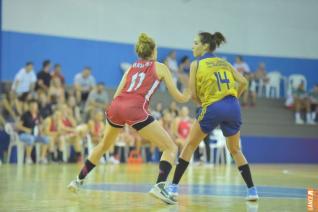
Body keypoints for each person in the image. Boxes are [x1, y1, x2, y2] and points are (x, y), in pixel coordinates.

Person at [67, 33, 190, 204]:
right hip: (135, 109)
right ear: (153, 51)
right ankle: (159, 186)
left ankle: (78, 180)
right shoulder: (160, 67)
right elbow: (179, 97)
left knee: (103, 145)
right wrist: (191, 90)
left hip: (116, 106)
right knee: (170, 147)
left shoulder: (131, 67)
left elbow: (117, 94)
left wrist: (122, 115)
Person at [166, 32, 259, 201]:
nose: (193, 46)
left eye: (196, 43)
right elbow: (244, 82)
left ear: (205, 46)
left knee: (189, 145)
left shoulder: (196, 64)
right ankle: (252, 190)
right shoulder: (224, 62)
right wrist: (234, 98)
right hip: (233, 107)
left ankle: (172, 188)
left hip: (213, 106)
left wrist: (202, 103)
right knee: (235, 150)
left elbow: (194, 95)